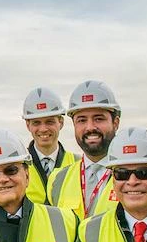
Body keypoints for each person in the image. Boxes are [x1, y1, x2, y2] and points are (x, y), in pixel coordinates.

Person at [46, 80, 121, 218]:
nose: (90, 127)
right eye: (82, 120)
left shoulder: (137, 177)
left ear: (115, 123)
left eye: (98, 119)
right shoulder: (57, 180)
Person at [21, 87, 79, 204]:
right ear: (28, 125)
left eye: (49, 122)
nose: (43, 129)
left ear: (61, 123)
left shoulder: (79, 164)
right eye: (36, 122)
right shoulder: (16, 167)